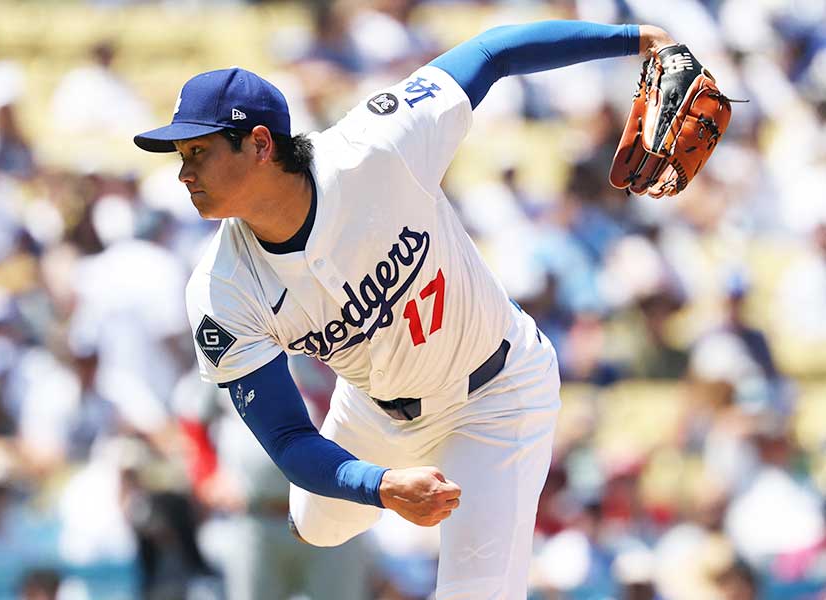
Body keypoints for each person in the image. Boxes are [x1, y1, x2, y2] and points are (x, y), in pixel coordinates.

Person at [134, 20, 678, 598]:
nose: (183, 171)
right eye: (180, 155)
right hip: (377, 409)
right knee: (318, 526)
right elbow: (290, 439)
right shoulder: (222, 290)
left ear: (262, 144)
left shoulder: (380, 143)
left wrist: (637, 38)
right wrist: (382, 485)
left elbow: (494, 52)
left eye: (199, 151)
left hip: (495, 394)